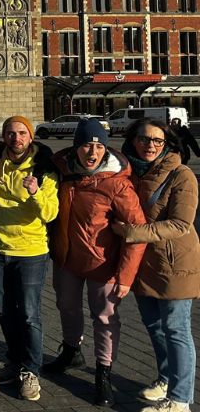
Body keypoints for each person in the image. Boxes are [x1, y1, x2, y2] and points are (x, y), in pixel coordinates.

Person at [45, 118, 147, 407]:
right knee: (66, 307)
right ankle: (71, 351)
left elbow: (136, 233)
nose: (93, 151)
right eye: (87, 145)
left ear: (106, 149)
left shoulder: (117, 184)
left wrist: (126, 276)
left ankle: (104, 371)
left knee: (104, 318)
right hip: (67, 259)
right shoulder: (63, 173)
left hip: (104, 263)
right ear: (76, 147)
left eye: (99, 146)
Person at [115, 119, 199, 412]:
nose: (150, 145)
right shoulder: (130, 173)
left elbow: (180, 223)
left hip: (175, 262)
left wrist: (131, 233)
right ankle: (165, 379)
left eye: (157, 141)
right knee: (154, 327)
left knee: (176, 329)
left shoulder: (181, 174)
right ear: (132, 141)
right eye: (143, 139)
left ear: (167, 144)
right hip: (143, 262)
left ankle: (180, 399)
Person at [0, 117, 58, 401]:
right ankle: (14, 361)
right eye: (11, 133)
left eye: (22, 133)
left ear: (30, 137)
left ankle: (31, 371)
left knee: (29, 314)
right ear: (4, 137)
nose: (16, 138)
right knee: (4, 311)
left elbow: (50, 213)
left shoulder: (44, 169)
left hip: (31, 251)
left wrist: (35, 192)